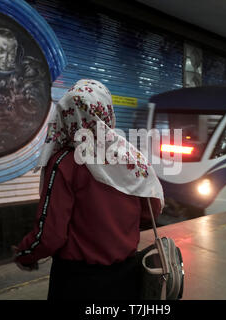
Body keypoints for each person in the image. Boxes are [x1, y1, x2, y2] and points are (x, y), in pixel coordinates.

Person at [12, 79, 164, 300]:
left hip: (78, 282)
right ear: (107, 113)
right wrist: (117, 230)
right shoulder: (130, 156)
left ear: (66, 116)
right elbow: (152, 209)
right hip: (127, 278)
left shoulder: (64, 163)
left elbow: (50, 236)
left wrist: (24, 254)